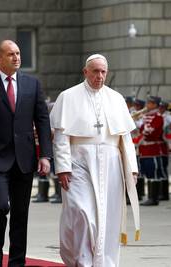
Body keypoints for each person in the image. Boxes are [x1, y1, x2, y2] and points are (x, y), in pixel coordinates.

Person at [50, 54, 140, 267]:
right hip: (78, 161)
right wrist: (62, 167)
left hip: (111, 165)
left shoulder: (116, 99)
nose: (99, 76)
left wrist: (132, 169)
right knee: (81, 212)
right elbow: (62, 136)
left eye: (103, 72)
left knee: (109, 217)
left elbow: (125, 138)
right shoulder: (68, 97)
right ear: (85, 72)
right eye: (95, 71)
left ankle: (104, 262)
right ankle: (82, 260)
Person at [0, 40, 52, 267]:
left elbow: (42, 121)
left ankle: (17, 262)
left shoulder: (32, 84)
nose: (16, 57)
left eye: (18, 53)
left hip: (24, 159)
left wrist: (45, 154)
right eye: (11, 54)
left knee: (20, 214)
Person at [139, 96, 167, 205]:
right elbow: (142, 129)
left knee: (154, 173)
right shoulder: (146, 116)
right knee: (148, 173)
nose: (147, 105)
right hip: (144, 150)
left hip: (153, 149)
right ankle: (151, 197)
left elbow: (153, 133)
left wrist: (144, 130)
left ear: (155, 104)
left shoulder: (158, 117)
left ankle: (154, 198)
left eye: (150, 103)